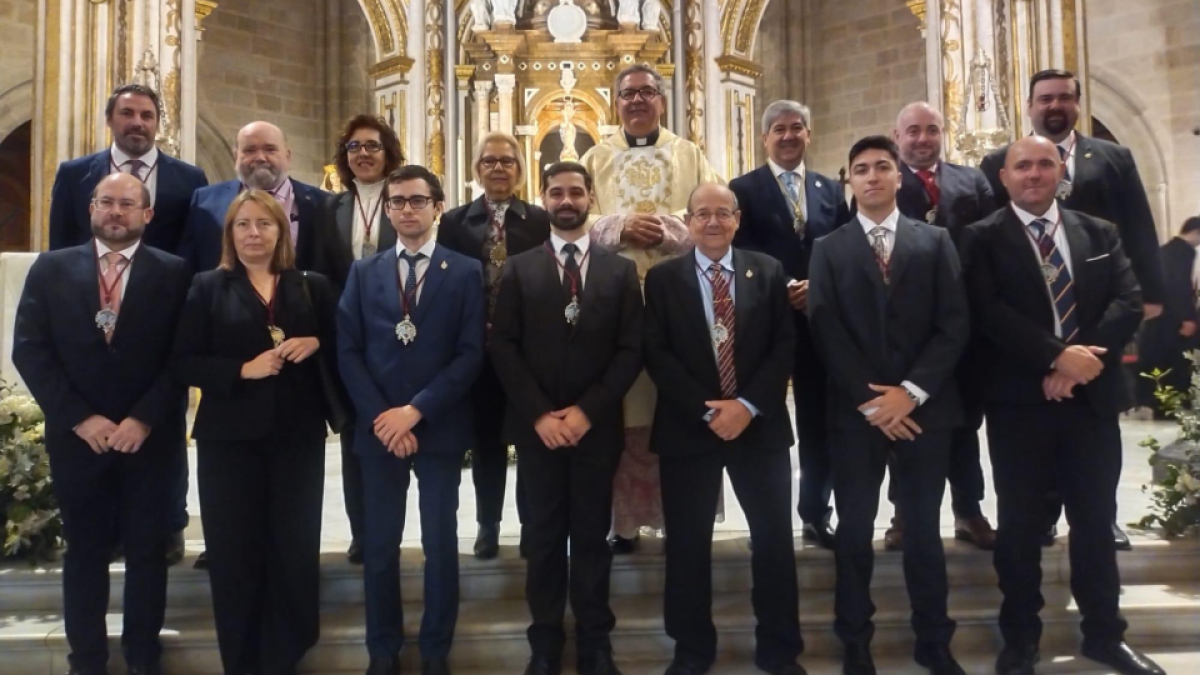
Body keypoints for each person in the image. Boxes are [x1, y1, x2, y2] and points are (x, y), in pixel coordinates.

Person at [961, 136, 1165, 675]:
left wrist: (1078, 365)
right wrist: (1054, 359)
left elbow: (1127, 300)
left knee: (1095, 522)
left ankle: (1104, 635)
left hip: (1090, 403)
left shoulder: (1099, 233)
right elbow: (987, 311)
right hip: (1018, 404)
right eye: (1021, 165)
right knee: (1021, 527)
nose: (1033, 173)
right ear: (1003, 177)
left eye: (1044, 164)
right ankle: (1021, 638)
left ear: (1061, 174)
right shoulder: (979, 239)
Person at [980, 69, 1166, 551]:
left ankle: (1102, 517)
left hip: (1097, 307)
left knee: (1093, 446)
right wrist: (1051, 355)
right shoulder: (999, 162)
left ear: (1077, 104)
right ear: (1030, 105)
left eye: (1064, 97)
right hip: (1029, 326)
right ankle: (1040, 516)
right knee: (1032, 453)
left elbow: (1139, 225)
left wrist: (1152, 293)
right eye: (1045, 98)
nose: (1054, 105)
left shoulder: (1112, 157)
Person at [14, 173, 192, 675]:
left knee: (147, 555)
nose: (116, 211)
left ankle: (142, 657)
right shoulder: (51, 269)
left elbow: (183, 357)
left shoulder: (175, 273)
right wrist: (79, 418)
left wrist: (142, 418)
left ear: (147, 214)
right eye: (107, 202)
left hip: (149, 441)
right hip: (79, 441)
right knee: (85, 554)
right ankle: (86, 660)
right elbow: (30, 349)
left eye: (128, 204)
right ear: (91, 208)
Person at [808, 136, 970, 675]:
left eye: (883, 167)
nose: (873, 176)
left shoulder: (936, 240)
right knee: (854, 528)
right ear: (848, 181)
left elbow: (953, 324)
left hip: (926, 410)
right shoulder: (828, 248)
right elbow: (826, 329)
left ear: (899, 176)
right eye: (861, 169)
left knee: (923, 527)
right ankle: (855, 637)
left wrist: (912, 393)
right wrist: (873, 401)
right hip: (857, 414)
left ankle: (934, 639)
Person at [172, 190, 338, 675]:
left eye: (264, 225)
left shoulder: (311, 286)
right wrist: (241, 370)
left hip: (297, 438)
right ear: (230, 234)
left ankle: (286, 655)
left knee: (293, 548)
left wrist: (316, 341)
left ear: (281, 232)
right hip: (230, 441)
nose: (253, 234)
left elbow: (345, 347)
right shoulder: (207, 287)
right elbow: (182, 362)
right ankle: (242, 662)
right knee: (235, 553)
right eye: (243, 225)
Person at [490, 162, 643, 675]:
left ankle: (596, 641)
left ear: (590, 196)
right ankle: (546, 643)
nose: (566, 200)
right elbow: (504, 347)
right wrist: (540, 415)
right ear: (544, 198)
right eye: (556, 192)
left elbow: (630, 350)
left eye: (576, 191)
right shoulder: (518, 267)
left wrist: (586, 411)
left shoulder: (619, 270)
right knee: (545, 539)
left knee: (594, 537)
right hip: (539, 433)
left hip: (595, 429)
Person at [644, 183, 804, 675]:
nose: (712, 222)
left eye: (722, 213)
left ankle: (779, 650)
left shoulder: (768, 270)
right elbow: (657, 352)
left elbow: (783, 345)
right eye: (701, 214)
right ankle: (692, 651)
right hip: (690, 427)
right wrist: (707, 408)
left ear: (737, 219)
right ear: (687, 222)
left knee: (774, 542)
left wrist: (748, 405)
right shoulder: (664, 278)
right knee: (688, 546)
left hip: (760, 427)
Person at [47, 83, 207, 565]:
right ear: (111, 119)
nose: (137, 122)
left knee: (162, 423)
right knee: (98, 417)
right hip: (91, 319)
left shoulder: (187, 177)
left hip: (159, 322)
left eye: (146, 115)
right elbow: (61, 247)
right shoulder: (77, 174)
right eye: (127, 113)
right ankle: (106, 524)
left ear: (159, 122)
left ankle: (170, 523)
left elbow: (194, 250)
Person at [337, 165, 484, 675]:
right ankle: (383, 651)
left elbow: (469, 354)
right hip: (378, 432)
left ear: (437, 206)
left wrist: (414, 411)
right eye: (397, 201)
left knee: (440, 545)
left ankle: (435, 650)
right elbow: (348, 351)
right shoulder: (364, 271)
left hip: (437, 425)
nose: (405, 210)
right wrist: (383, 417)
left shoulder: (464, 272)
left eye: (417, 201)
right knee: (379, 547)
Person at [580, 63, 720, 553]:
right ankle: (625, 524)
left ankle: (681, 516)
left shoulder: (690, 154)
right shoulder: (596, 157)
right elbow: (578, 216)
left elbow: (713, 210)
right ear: (615, 102)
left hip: (677, 301)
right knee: (625, 409)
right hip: (614, 306)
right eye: (627, 94)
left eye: (647, 92)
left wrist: (666, 229)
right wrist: (619, 227)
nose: (637, 101)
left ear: (662, 99)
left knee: (676, 404)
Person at [728, 99, 849, 550]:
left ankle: (816, 514)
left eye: (797, 127)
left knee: (820, 421)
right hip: (765, 322)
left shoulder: (829, 190)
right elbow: (736, 254)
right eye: (778, 129)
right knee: (766, 421)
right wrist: (781, 287)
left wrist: (816, 286)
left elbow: (842, 247)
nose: (788, 136)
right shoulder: (742, 189)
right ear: (765, 138)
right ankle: (767, 519)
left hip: (818, 322)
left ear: (809, 134)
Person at [880, 101, 998, 551]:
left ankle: (970, 511)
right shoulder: (885, 182)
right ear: (898, 135)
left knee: (965, 424)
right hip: (907, 329)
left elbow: (990, 245)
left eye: (931, 130)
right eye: (913, 131)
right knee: (904, 424)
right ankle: (903, 514)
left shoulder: (973, 181)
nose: (923, 138)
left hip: (965, 327)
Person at [437, 131, 552, 559]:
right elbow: (446, 284)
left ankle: (529, 525)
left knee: (529, 440)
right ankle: (488, 524)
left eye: (507, 161)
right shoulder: (453, 222)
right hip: (477, 349)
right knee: (486, 441)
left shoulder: (540, 220)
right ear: (477, 169)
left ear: (521, 170)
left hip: (527, 350)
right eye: (490, 161)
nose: (498, 168)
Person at [322, 113, 406, 564]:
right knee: (359, 441)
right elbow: (318, 273)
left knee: (402, 433)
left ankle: (398, 530)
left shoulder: (407, 201)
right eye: (355, 147)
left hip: (402, 339)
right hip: (348, 343)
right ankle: (362, 533)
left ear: (388, 152)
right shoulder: (329, 209)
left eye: (372, 146)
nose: (364, 154)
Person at [180, 121, 333, 275]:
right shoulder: (205, 201)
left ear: (287, 156)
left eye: (270, 149)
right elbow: (188, 265)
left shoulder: (323, 203)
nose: (260, 157)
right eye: (250, 150)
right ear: (235, 157)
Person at [1136, 217, 1200, 410]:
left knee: (1164, 365)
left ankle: (1163, 404)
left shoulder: (1165, 251)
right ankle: (1174, 406)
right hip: (1174, 324)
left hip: (1161, 322)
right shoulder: (1181, 253)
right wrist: (1187, 318)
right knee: (1177, 366)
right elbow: (1177, 288)